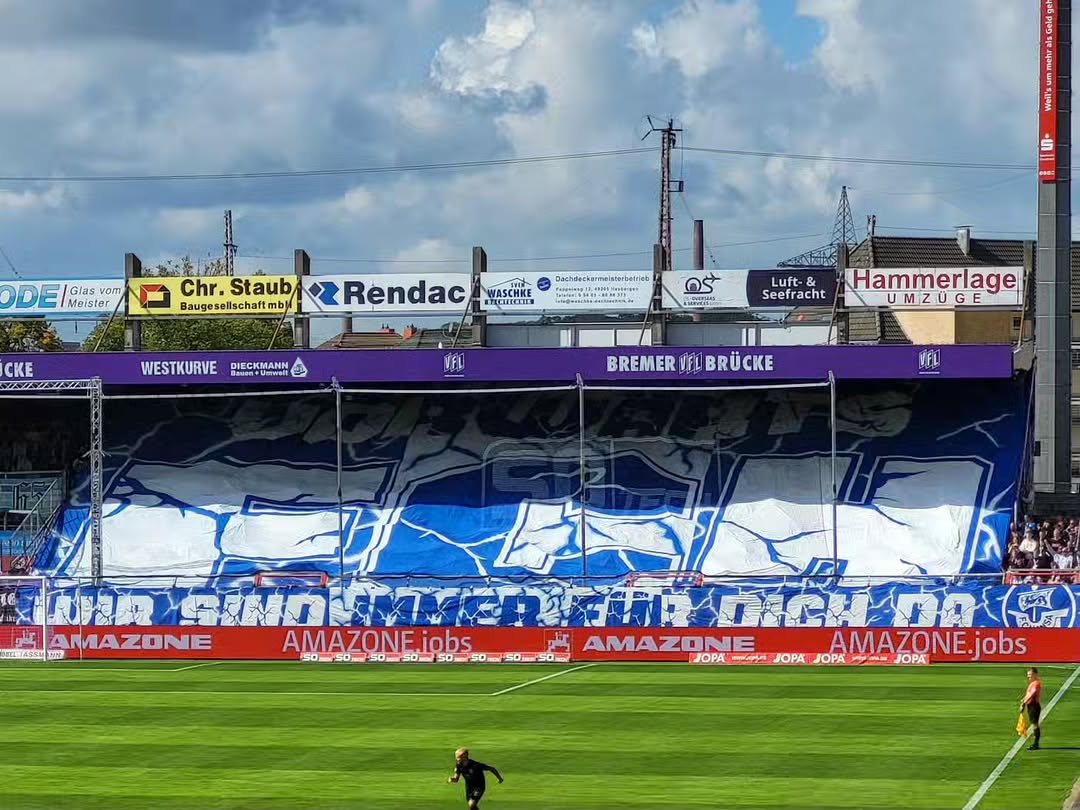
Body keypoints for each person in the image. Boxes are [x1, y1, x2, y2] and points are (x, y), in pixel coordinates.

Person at [1021, 667, 1042, 750]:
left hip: (1034, 706)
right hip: (1031, 705)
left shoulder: (1036, 683)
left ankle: (1036, 744)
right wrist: (1023, 699)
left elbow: (1031, 694)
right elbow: (1028, 694)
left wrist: (1023, 703)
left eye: (1030, 674)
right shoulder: (1032, 683)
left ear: (1035, 674)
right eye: (1028, 675)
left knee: (1034, 724)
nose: (1028, 676)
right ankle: (1036, 744)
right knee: (1034, 724)